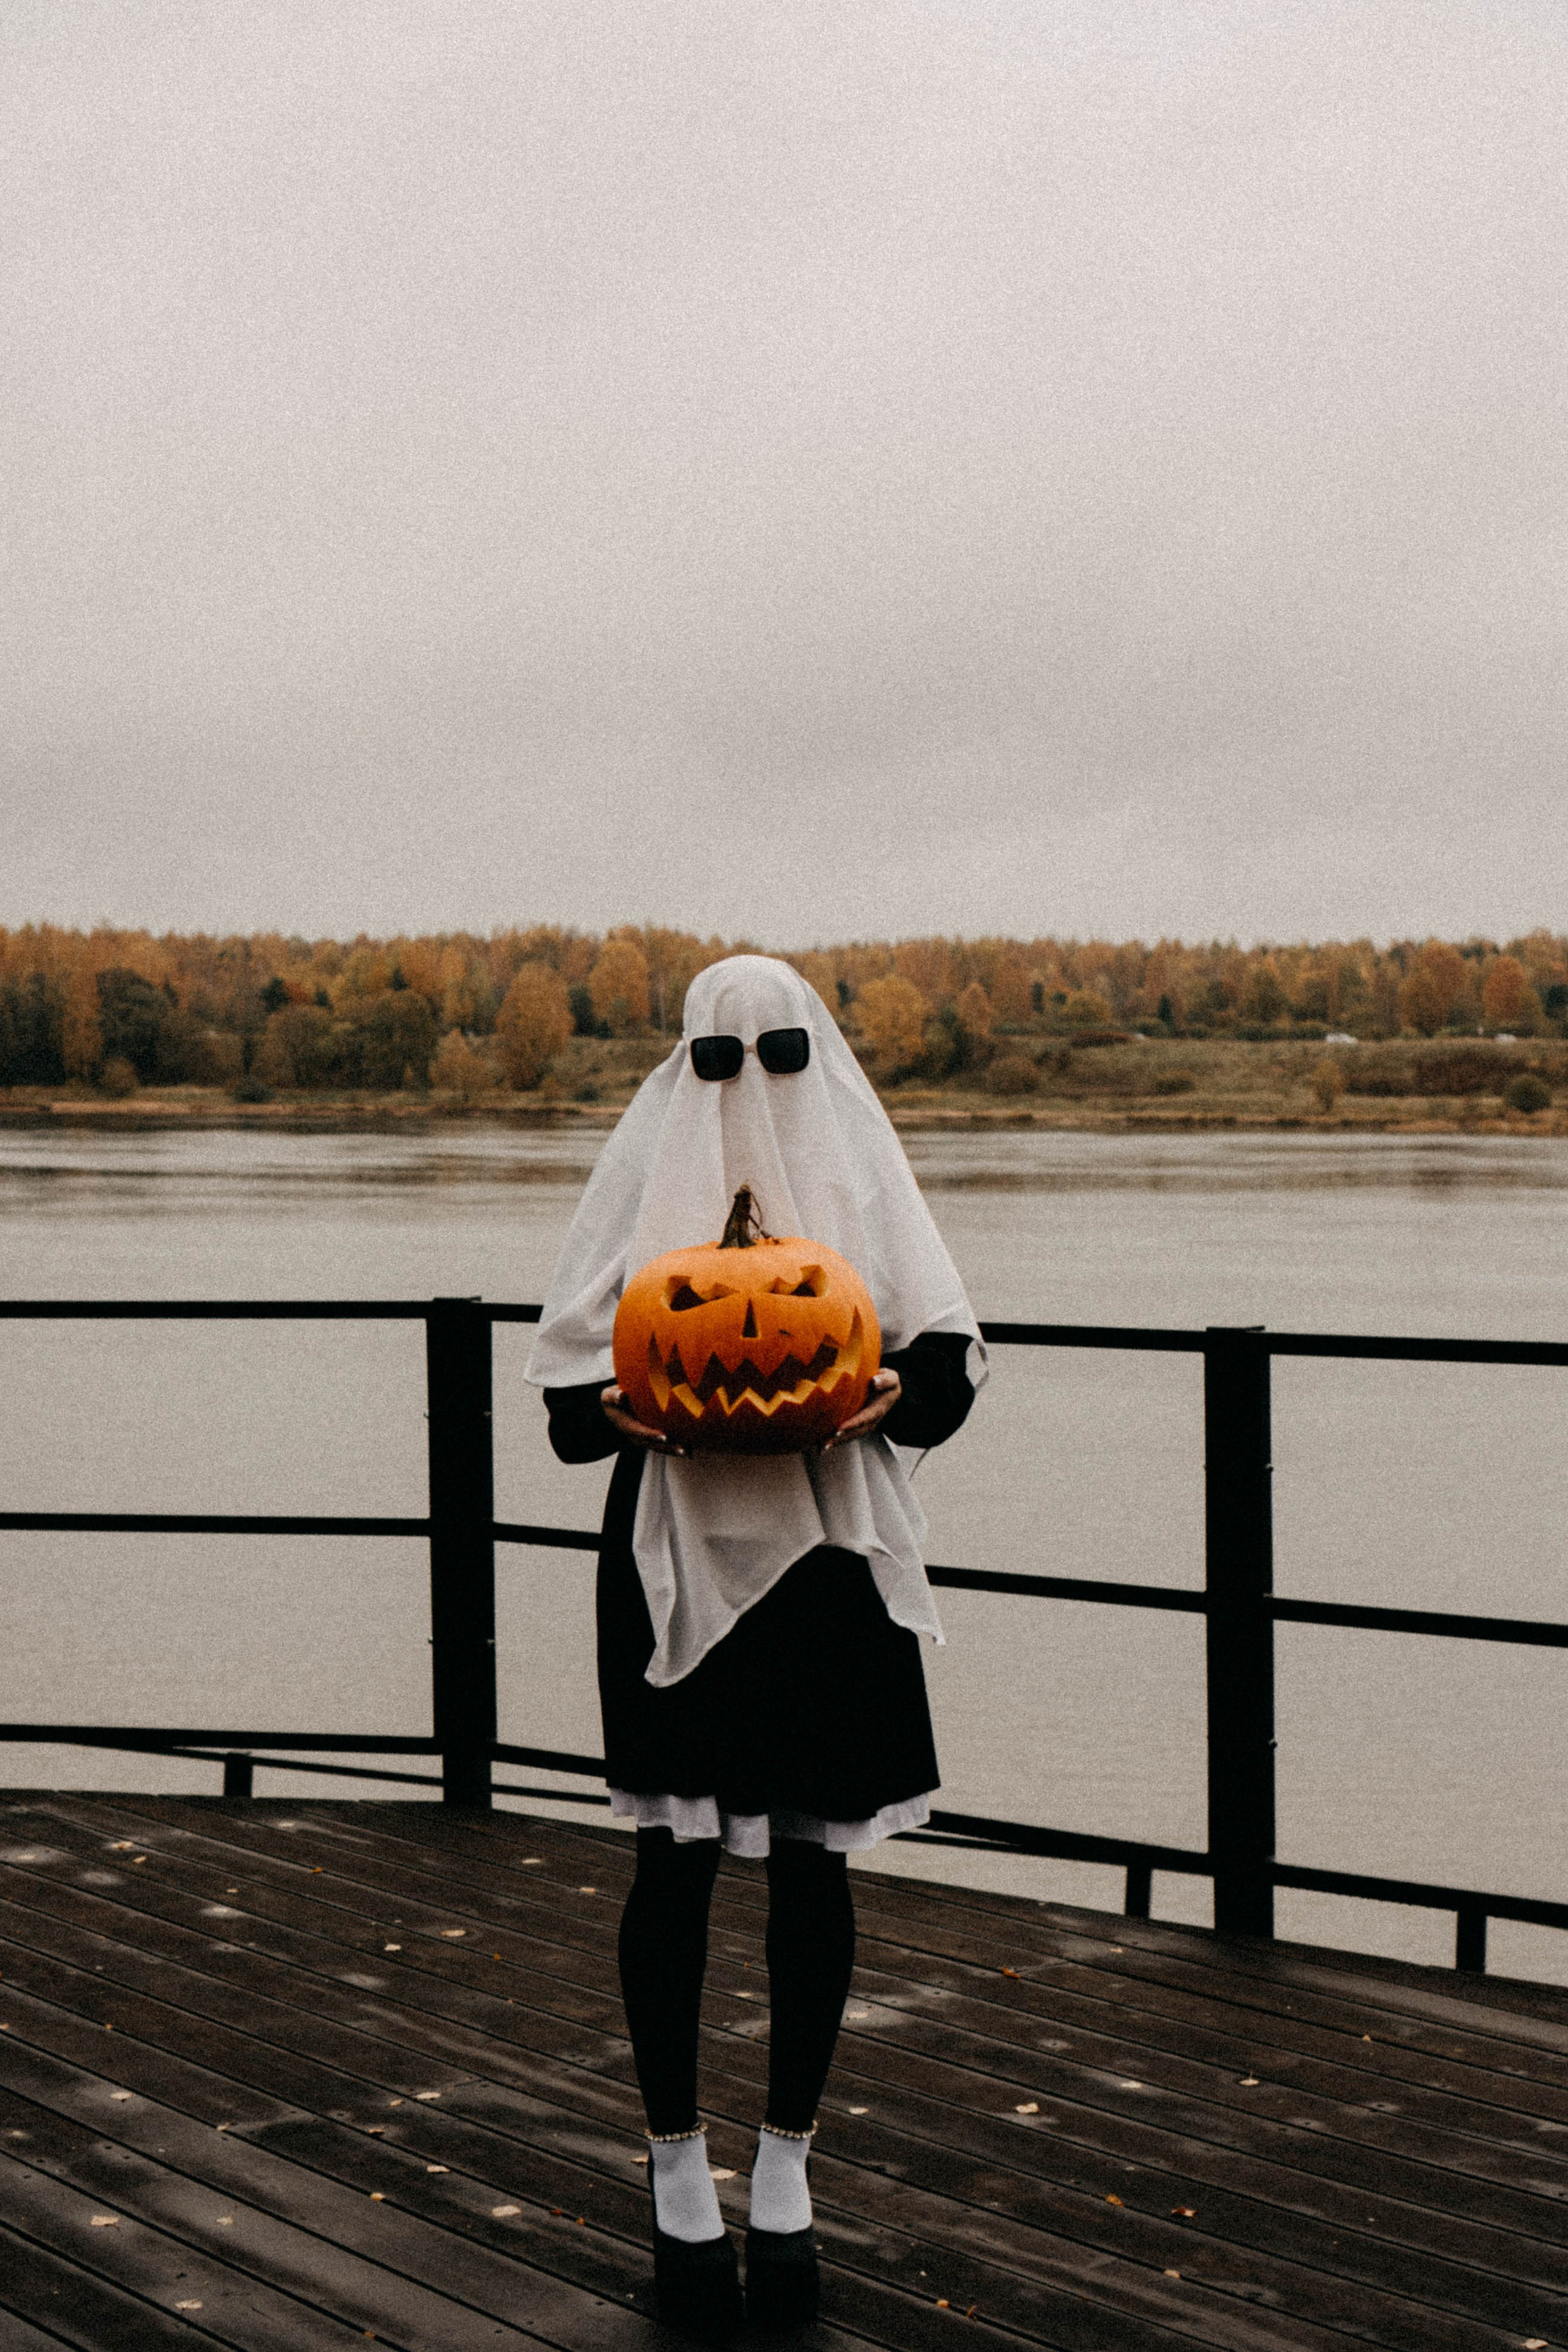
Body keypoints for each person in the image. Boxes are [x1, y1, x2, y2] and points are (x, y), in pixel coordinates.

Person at [527, 954, 981, 2339]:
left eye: (777, 1054)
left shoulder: (862, 1174)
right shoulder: (635, 1182)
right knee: (669, 1866)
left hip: (830, 1565)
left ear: (817, 1052)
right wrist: (626, 1411)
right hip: (676, 1570)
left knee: (810, 1869)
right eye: (719, 1062)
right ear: (682, 1065)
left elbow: (947, 1370)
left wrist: (892, 1391)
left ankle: (786, 2161)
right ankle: (674, 2160)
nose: (750, 1087)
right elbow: (562, 1408)